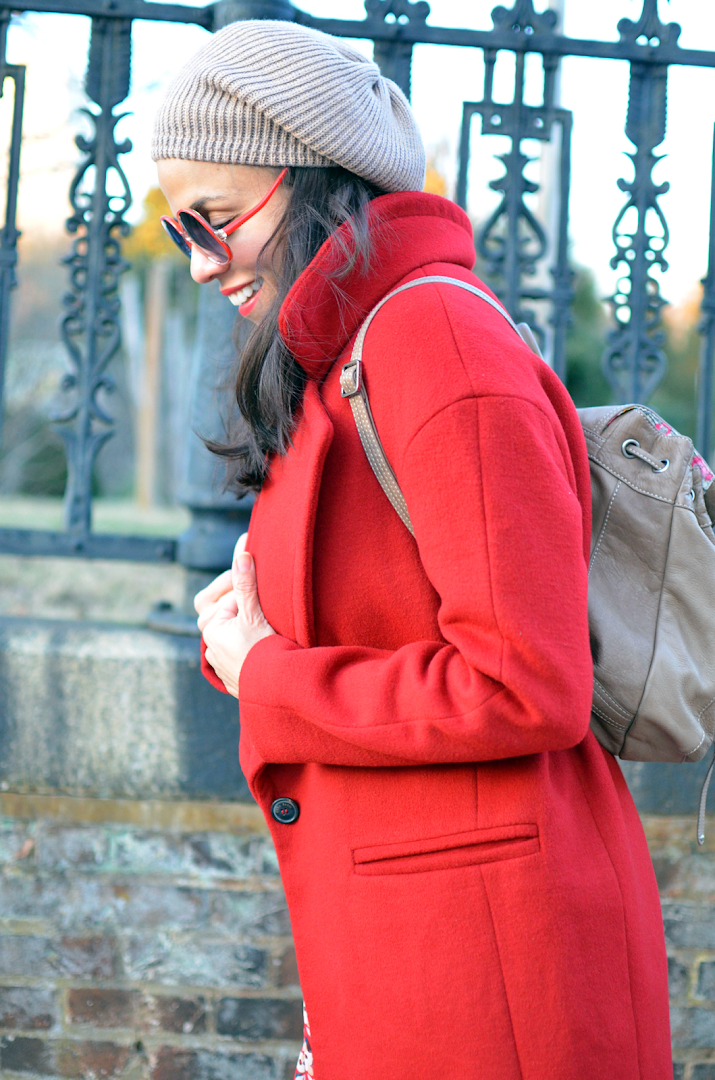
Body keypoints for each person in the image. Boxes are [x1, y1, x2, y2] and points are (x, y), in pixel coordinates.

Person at [152, 19, 672, 1079]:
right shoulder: (342, 349)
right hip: (416, 936)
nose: (204, 266)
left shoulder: (431, 342)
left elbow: (527, 683)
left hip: (491, 966)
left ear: (314, 181)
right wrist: (240, 640)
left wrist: (271, 675)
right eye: (181, 233)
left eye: (214, 219)